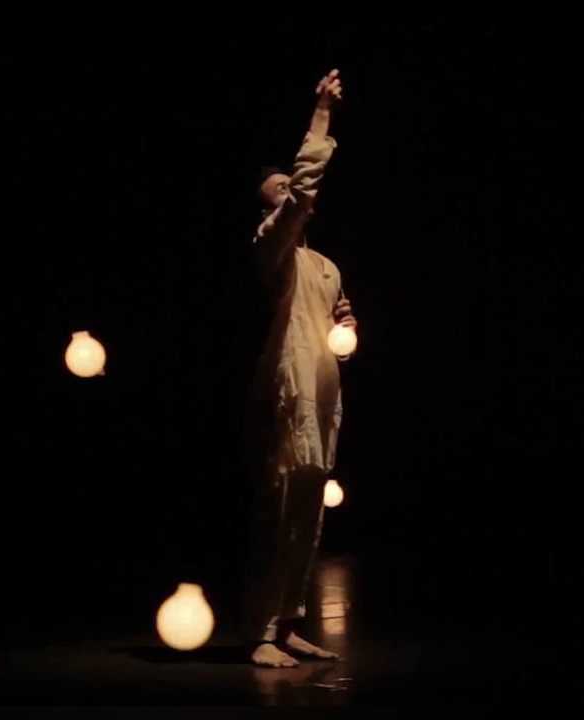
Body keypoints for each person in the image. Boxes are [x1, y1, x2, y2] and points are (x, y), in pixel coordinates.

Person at [242, 69, 357, 668]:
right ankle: (261, 629)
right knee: (282, 498)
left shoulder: (326, 265)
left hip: (322, 389)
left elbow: (335, 334)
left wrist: (347, 329)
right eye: (279, 187)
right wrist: (320, 117)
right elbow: (304, 189)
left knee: (310, 509)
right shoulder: (269, 244)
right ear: (267, 201)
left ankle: (287, 623)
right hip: (288, 389)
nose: (291, 192)